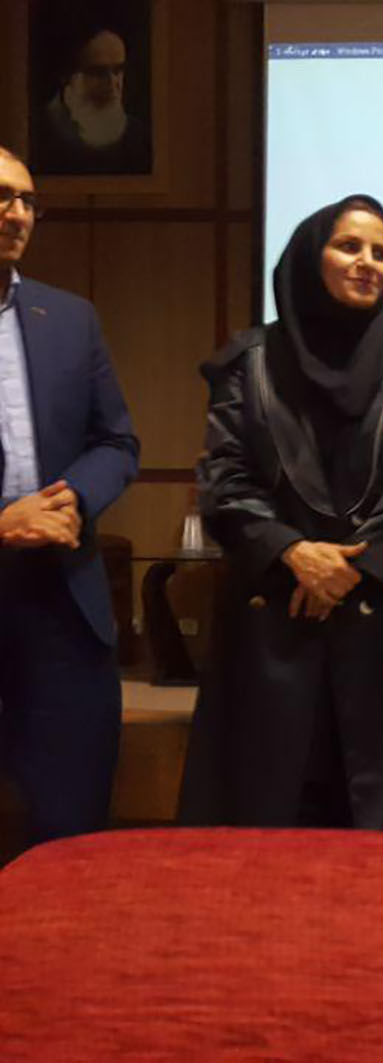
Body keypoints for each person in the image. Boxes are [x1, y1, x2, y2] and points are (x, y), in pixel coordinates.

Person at [177, 195, 383, 831]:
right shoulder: (248, 363)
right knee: (271, 828)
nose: (368, 262)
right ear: (307, 256)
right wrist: (293, 553)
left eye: (382, 252)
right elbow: (224, 478)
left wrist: (346, 569)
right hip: (277, 619)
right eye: (349, 246)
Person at [0, 146, 140, 849]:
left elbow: (118, 442)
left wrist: (73, 500)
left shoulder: (70, 318)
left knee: (73, 837)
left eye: (28, 200)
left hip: (64, 603)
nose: (18, 214)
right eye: (3, 196)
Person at [34, 25, 153, 177]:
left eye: (118, 70)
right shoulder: (38, 133)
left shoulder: (139, 138)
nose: (113, 83)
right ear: (67, 76)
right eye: (98, 72)